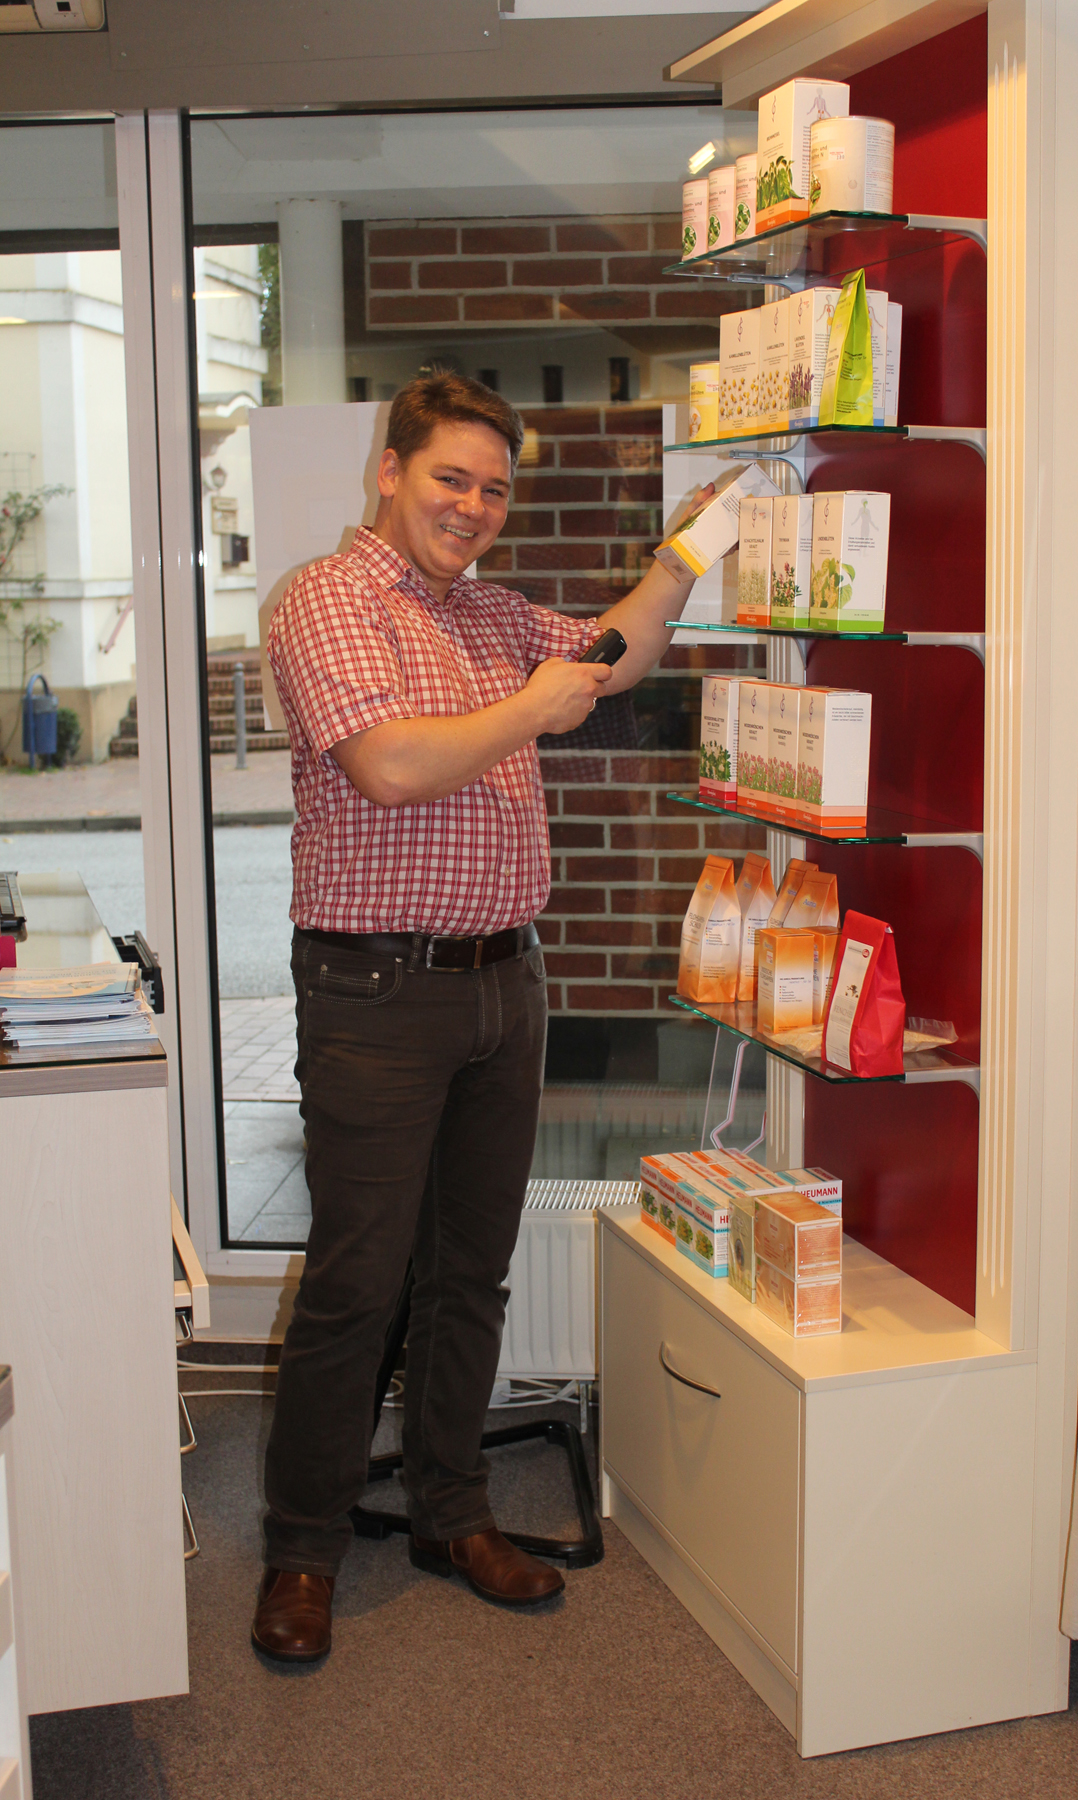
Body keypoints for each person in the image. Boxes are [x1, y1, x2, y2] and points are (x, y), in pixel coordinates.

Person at [251, 373, 708, 1662]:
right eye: (450, 478)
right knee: (358, 1283)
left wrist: (682, 561)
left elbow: (611, 657)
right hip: (376, 990)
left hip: (507, 983)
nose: (473, 506)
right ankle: (302, 1547)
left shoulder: (486, 612)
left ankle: (451, 1510)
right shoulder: (327, 600)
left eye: (495, 489)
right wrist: (529, 707)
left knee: (471, 1271)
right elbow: (390, 766)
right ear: (389, 471)